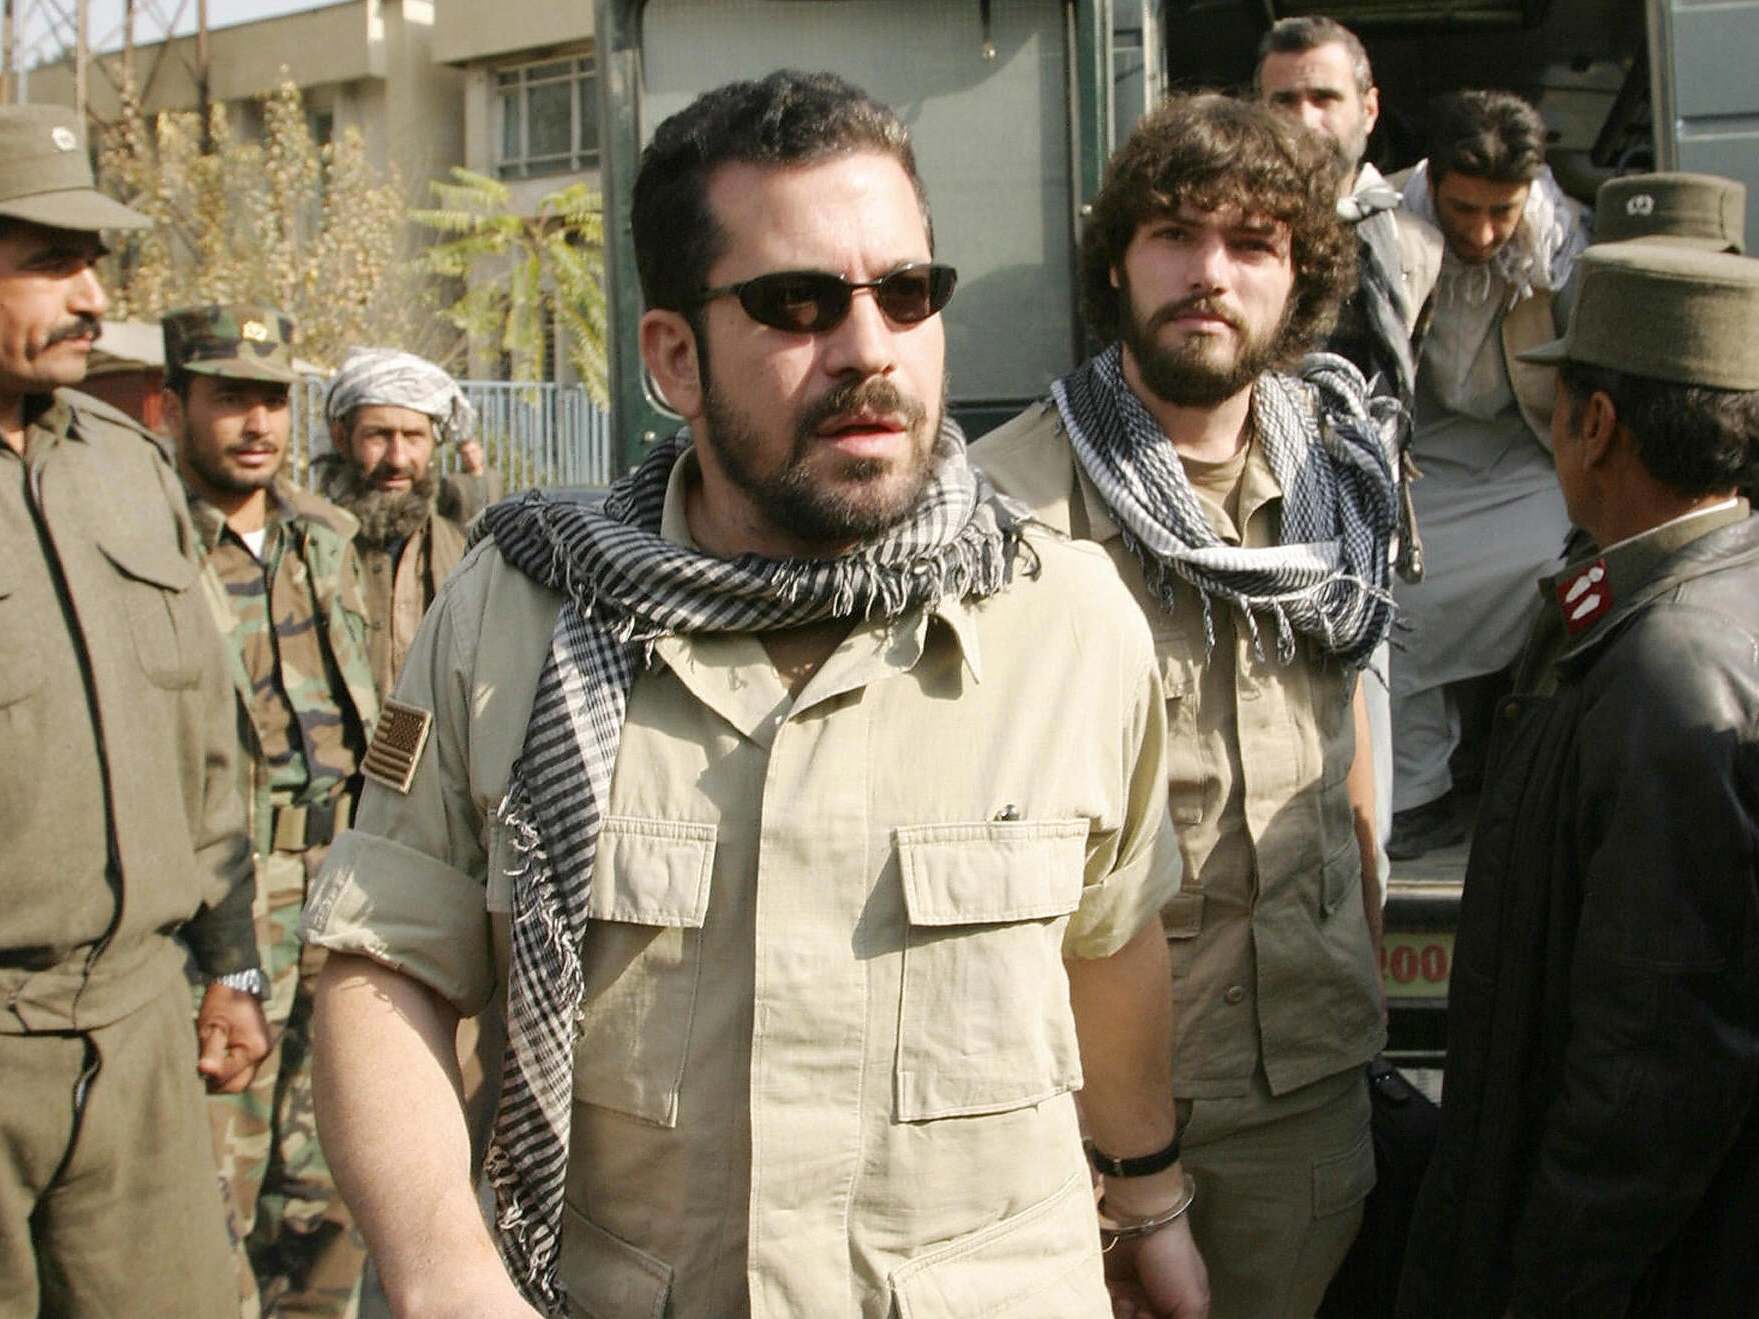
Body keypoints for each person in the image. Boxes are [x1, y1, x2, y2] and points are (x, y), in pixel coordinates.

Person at [305, 70, 1207, 1318]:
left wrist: (1148, 1195)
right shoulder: (517, 617)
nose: (869, 348)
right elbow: (383, 956)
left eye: (906, 293)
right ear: (674, 356)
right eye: (797, 303)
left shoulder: (1066, 619)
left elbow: (1108, 947)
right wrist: (443, 1269)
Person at [973, 92, 1396, 1319]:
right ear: (1117, 259)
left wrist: (1360, 927)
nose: (1208, 272)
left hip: (1294, 1096)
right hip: (1064, 1107)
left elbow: (1346, 735)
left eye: (1252, 243)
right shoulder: (1005, 510)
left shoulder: (1339, 478)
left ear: (1300, 279)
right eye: (1173, 234)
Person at [1398, 242, 1759, 1319]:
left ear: (1594, 424)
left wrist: (1549, 1288)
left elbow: (1645, 1065)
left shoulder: (1672, 664)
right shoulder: (1680, 596)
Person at [0, 104, 266, 1317]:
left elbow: (204, 746)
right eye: (52, 263)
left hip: (138, 1026)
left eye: (95, 262)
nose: (94, 297)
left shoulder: (124, 464)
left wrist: (231, 964)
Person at [162, 304, 379, 1317]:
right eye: (229, 398)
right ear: (175, 405)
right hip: (223, 903)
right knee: (211, 1188)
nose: (257, 423)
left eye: (272, 399)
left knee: (335, 1175)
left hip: (340, 884)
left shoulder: (324, 537)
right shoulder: (152, 545)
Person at [1255, 14, 1445, 890]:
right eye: (1282, 99)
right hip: (1249, 525)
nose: (1304, 117)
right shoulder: (1228, 241)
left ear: (1367, 108)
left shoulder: (1415, 240)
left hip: (1361, 536)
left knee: (1363, 783)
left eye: (1323, 97)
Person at [1387, 89, 1589, 858]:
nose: (1479, 233)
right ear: (1432, 181)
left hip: (1526, 454)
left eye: (1500, 212)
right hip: (1420, 456)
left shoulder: (1560, 240)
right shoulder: (1382, 223)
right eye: (1462, 208)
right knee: (1393, 589)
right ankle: (1416, 794)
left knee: (1557, 559)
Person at [314, 346, 486, 696]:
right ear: (341, 438)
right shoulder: (307, 550)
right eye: (378, 435)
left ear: (434, 442)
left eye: (413, 437)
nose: (397, 458)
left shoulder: (466, 554)